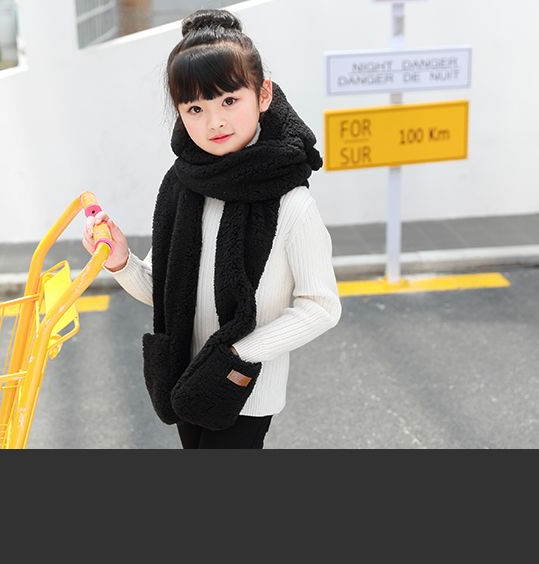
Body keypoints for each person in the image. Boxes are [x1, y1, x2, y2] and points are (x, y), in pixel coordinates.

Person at [83, 9, 341, 449]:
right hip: (186, 376)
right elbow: (171, 293)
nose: (214, 122)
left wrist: (237, 354)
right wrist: (122, 262)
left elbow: (321, 306)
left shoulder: (291, 202)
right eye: (195, 108)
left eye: (229, 101)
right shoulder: (184, 187)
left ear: (263, 95)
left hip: (246, 385)